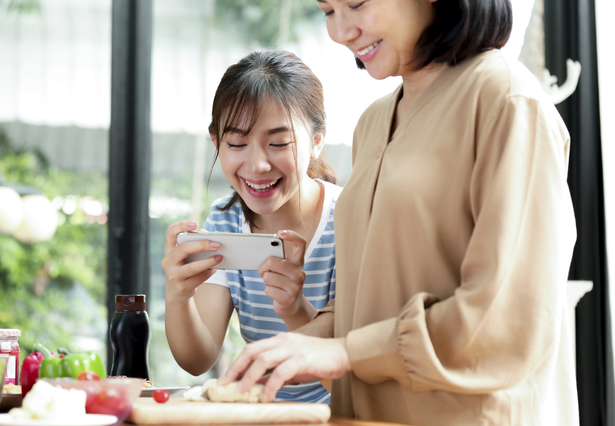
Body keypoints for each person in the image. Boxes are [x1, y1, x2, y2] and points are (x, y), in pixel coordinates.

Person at [219, 1, 580, 425]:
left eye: (356, 4)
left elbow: (509, 315)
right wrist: (290, 347)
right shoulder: (373, 122)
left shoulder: (508, 101)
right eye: (328, 11)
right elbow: (366, 304)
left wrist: (345, 351)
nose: (341, 32)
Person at [162, 50, 342, 404]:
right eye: (236, 144)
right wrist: (178, 296)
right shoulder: (226, 221)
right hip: (259, 414)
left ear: (317, 140)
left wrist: (293, 308)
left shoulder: (350, 219)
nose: (257, 164)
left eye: (278, 143)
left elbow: (353, 375)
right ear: (216, 142)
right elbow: (198, 360)